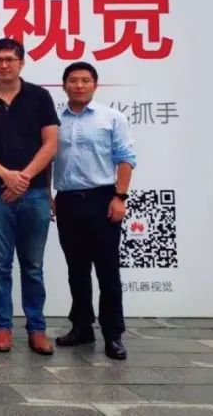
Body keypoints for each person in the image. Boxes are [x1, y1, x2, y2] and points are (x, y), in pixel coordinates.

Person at [0, 38, 59, 356]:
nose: (4, 65)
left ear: (22, 63)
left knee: (32, 265)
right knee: (0, 265)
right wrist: (6, 175)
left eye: (10, 59)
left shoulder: (40, 96)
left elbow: (50, 144)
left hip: (35, 193)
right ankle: (2, 327)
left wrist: (23, 177)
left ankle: (37, 329)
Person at [53, 62, 136, 361]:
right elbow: (47, 159)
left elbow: (126, 158)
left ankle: (113, 334)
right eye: (73, 80)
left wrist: (120, 197)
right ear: (64, 85)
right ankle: (81, 327)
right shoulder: (54, 120)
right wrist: (50, 195)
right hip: (67, 200)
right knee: (76, 270)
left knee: (107, 270)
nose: (79, 85)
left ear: (95, 85)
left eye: (85, 80)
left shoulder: (111, 117)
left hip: (103, 199)